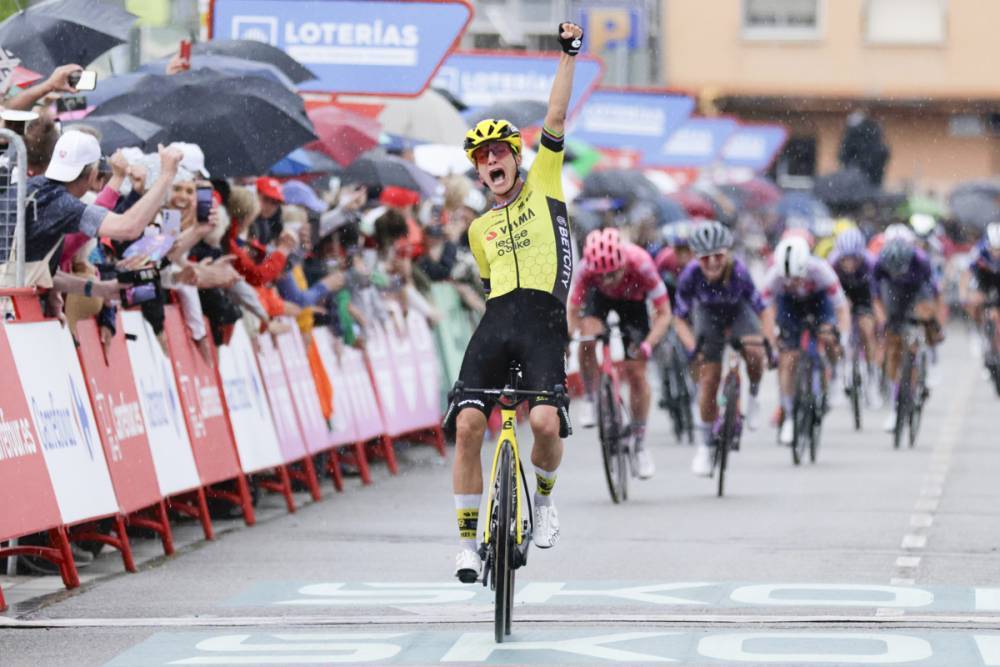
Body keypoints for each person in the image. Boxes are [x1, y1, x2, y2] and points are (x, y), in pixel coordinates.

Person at [444, 21, 584, 584]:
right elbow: (484, 282)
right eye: (483, 159)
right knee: (469, 426)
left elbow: (554, 117)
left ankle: (545, 506)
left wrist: (568, 55)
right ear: (478, 171)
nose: (492, 163)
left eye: (500, 153)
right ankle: (466, 545)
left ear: (514, 159)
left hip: (545, 319)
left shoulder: (545, 181)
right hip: (499, 320)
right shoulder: (479, 229)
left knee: (546, 424)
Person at [568, 227, 672, 479]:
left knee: (637, 372)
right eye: (601, 275)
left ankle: (639, 441)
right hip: (598, 302)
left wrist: (648, 344)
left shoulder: (641, 263)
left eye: (612, 273)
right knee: (588, 334)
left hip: (633, 301)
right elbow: (573, 312)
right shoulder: (586, 269)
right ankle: (592, 397)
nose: (607, 280)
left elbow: (665, 313)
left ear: (623, 262)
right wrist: (571, 336)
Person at [20, 131, 183, 286]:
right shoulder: (60, 202)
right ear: (92, 174)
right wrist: (167, 174)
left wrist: (96, 289)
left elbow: (47, 272)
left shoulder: (32, 187)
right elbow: (128, 227)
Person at [673, 221, 771, 476]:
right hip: (708, 315)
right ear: (697, 258)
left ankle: (753, 393)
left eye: (718, 256)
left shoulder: (739, 271)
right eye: (706, 259)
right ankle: (705, 446)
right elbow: (679, 318)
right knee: (709, 377)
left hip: (739, 311)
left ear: (726, 253)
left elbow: (763, 310)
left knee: (753, 351)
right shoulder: (690, 276)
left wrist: (766, 341)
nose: (713, 263)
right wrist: (692, 346)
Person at [761, 235, 851, 446]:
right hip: (789, 305)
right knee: (787, 359)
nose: (793, 282)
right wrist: (771, 340)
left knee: (829, 336)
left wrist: (842, 339)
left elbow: (842, 308)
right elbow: (764, 311)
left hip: (819, 302)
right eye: (788, 279)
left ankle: (834, 375)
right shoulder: (774, 276)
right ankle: (790, 416)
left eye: (797, 277)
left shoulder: (821, 271)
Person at [874, 237, 944, 432]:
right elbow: (876, 297)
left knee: (922, 321)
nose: (897, 273)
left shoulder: (921, 261)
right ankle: (897, 397)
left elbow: (934, 292)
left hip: (917, 292)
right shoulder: (879, 264)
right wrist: (884, 321)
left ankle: (923, 362)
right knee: (892, 346)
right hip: (893, 294)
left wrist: (932, 319)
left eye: (900, 269)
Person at [827, 227, 882, 407]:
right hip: (841, 296)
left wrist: (877, 316)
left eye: (854, 259)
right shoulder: (832, 264)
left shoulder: (871, 264)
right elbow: (828, 296)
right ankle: (838, 376)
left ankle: (872, 379)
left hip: (865, 295)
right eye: (846, 258)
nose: (849, 263)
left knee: (867, 328)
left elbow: (875, 296)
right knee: (836, 335)